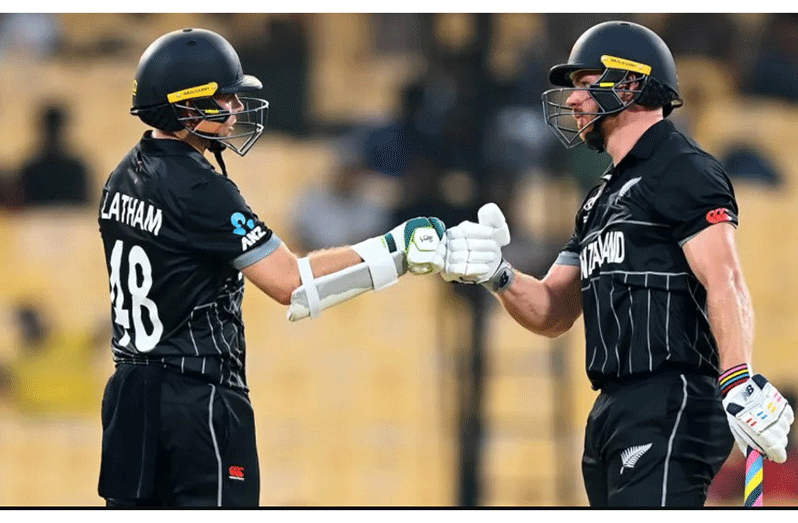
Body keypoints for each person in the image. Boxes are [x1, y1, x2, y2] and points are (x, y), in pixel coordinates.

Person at [438, 21, 794, 507]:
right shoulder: (597, 201)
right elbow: (552, 311)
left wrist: (738, 379)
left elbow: (725, 276)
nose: (574, 101)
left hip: (671, 400)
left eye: (585, 86)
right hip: (611, 410)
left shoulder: (682, 166)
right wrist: (496, 274)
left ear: (630, 84)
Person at [97, 28, 445, 507]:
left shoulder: (120, 177)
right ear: (184, 106)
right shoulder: (202, 189)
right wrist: (393, 248)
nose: (236, 109)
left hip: (129, 396)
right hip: (197, 397)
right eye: (223, 99)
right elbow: (289, 282)